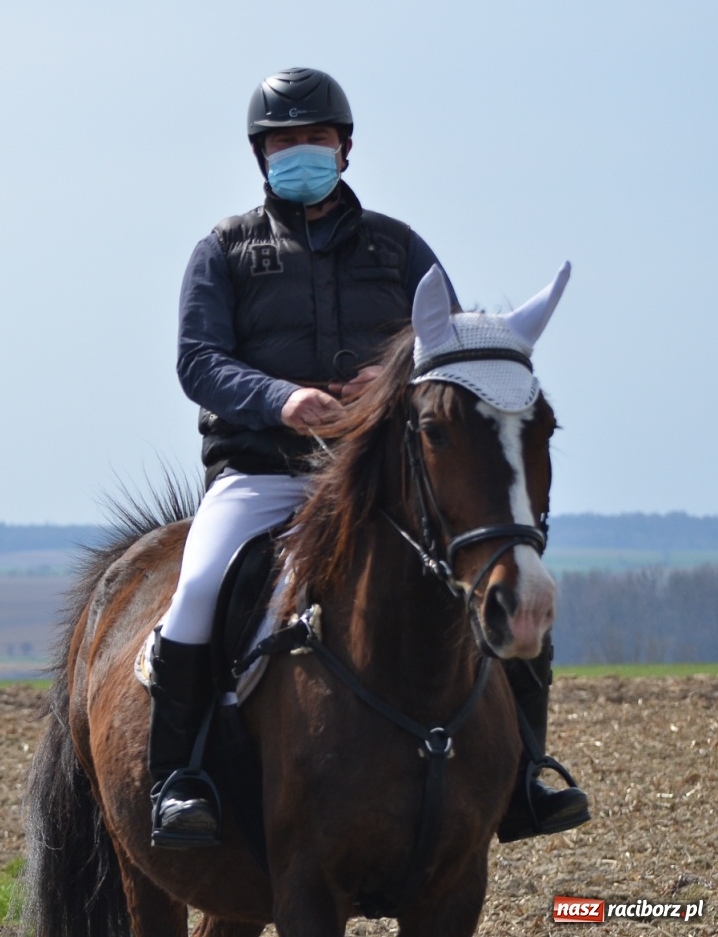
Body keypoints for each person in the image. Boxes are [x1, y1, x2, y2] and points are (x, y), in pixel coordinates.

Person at [149, 68, 589, 847]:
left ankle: (526, 773)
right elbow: (198, 362)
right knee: (197, 592)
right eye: (284, 141)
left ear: (344, 148)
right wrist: (282, 400)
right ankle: (180, 781)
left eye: (315, 138)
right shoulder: (223, 250)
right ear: (262, 155)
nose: (301, 152)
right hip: (262, 472)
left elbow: (450, 357)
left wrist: (380, 386)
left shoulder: (400, 249)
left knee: (499, 585)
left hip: (379, 481)